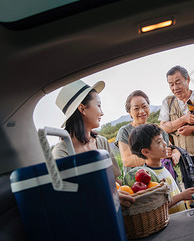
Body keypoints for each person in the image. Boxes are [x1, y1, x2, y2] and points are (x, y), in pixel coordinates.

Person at [53, 79, 135, 208]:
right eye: (98, 105)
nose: (102, 112)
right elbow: (67, 196)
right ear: (82, 108)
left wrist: (134, 191)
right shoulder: (62, 152)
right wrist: (108, 196)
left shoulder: (101, 142)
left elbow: (115, 181)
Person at [128, 123, 194, 214]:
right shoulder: (150, 178)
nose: (165, 144)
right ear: (146, 151)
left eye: (163, 140)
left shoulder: (163, 167)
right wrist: (182, 196)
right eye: (159, 142)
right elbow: (157, 207)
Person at [115, 90, 180, 172]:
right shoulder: (125, 131)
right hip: (139, 180)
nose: (141, 111)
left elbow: (172, 148)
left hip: (164, 175)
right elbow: (127, 161)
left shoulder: (157, 129)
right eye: (136, 108)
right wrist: (157, 155)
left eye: (144, 106)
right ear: (129, 112)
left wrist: (175, 155)